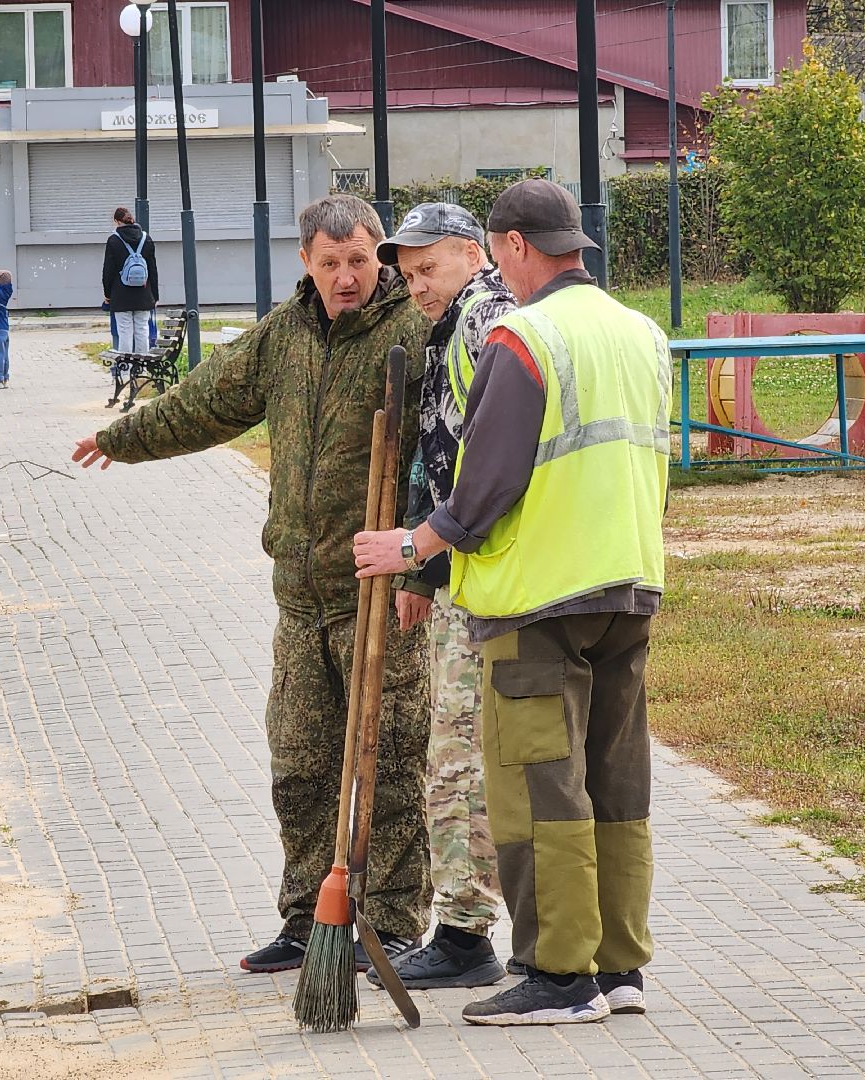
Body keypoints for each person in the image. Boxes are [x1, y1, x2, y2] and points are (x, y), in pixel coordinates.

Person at [74, 194, 433, 975]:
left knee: (391, 756)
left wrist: (423, 568)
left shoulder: (416, 333)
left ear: (384, 258)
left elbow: (441, 459)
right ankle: (309, 918)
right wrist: (120, 439)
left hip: (380, 591)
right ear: (305, 262)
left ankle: (397, 921)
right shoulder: (286, 334)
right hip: (300, 596)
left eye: (360, 261)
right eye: (330, 262)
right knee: (301, 762)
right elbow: (209, 400)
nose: (346, 278)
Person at [354, 178, 671, 1025]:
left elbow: (484, 481)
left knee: (538, 785)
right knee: (615, 777)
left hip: (540, 595)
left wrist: (414, 547)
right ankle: (617, 967)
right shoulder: (640, 332)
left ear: (511, 247)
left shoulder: (524, 338)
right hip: (629, 585)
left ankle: (558, 976)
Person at [370, 203, 516, 990]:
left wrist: (425, 553)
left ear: (473, 253)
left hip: (483, 572)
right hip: (457, 570)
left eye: (429, 269)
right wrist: (424, 576)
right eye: (409, 275)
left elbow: (475, 465)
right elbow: (439, 451)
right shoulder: (456, 321)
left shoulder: (484, 321)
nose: (418, 286)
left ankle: (465, 933)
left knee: (458, 754)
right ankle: (473, 920)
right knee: (461, 749)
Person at [103, 207, 159, 355]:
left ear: (116, 221)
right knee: (142, 330)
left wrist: (108, 295)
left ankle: (126, 371)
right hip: (144, 294)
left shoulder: (113, 240)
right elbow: (153, 270)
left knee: (124, 332)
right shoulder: (146, 238)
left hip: (121, 296)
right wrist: (155, 296)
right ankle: (142, 370)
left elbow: (108, 271)